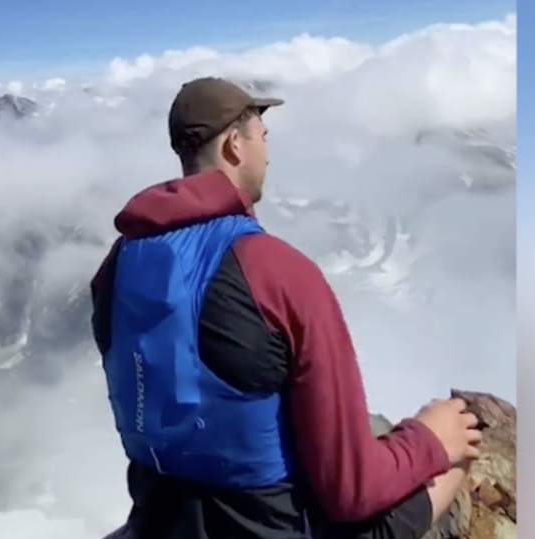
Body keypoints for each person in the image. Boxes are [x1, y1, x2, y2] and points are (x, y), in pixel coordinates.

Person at [89, 77, 483, 539]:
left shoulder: (116, 268)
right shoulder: (275, 272)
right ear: (236, 145)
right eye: (262, 137)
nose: (268, 153)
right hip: (273, 529)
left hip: (160, 519)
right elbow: (352, 490)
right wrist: (431, 438)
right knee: (459, 452)